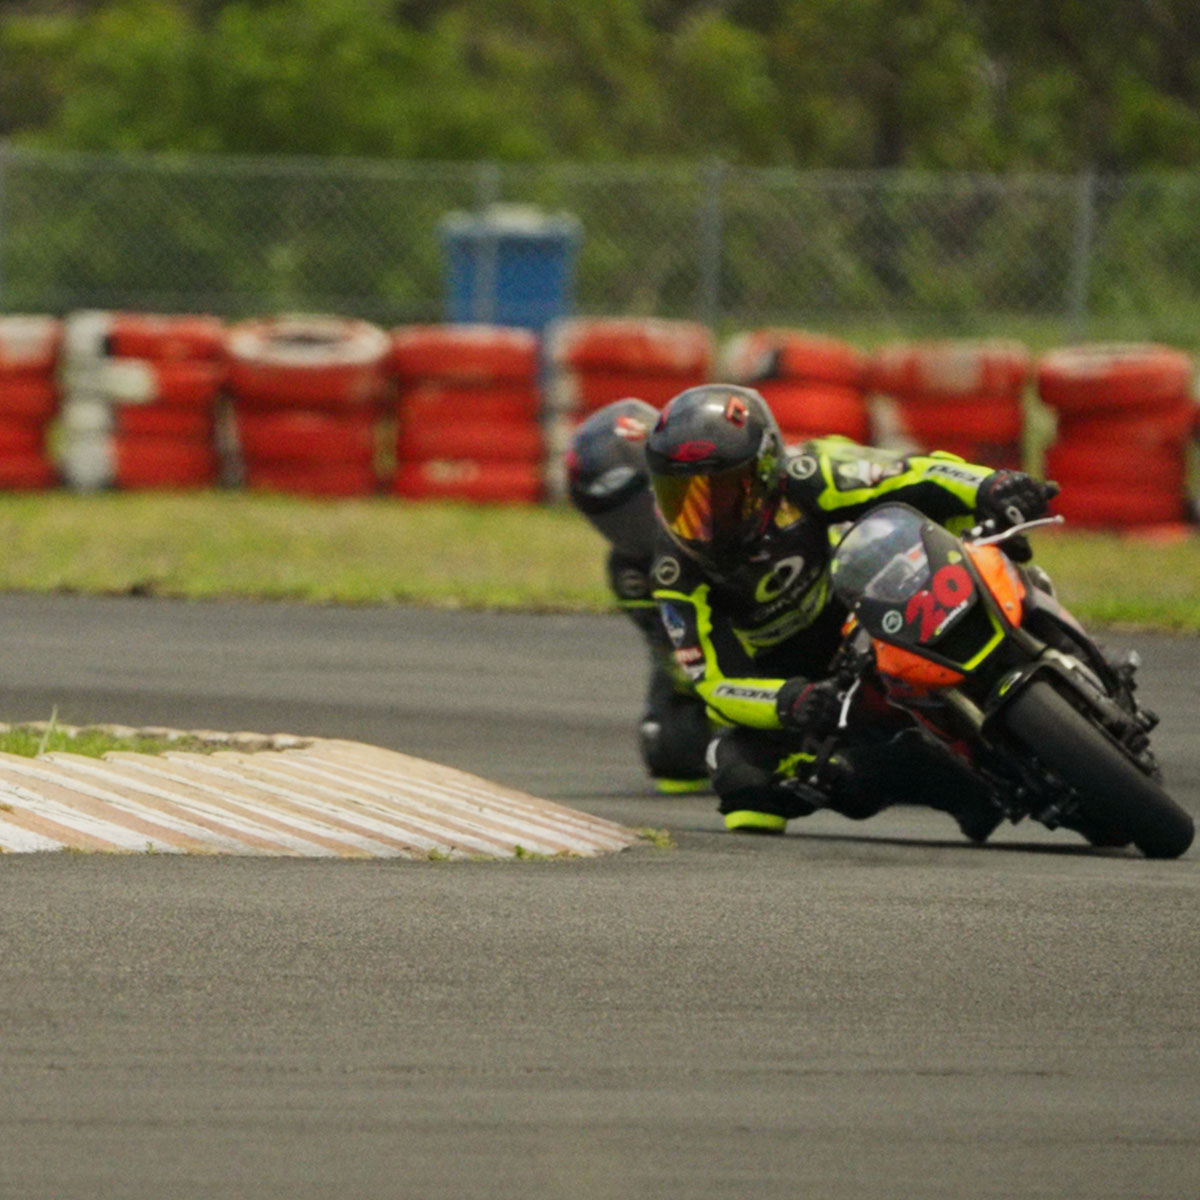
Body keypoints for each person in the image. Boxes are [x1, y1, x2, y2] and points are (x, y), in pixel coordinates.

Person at [643, 383, 1060, 839]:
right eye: (680, 497)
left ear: (764, 471)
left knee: (964, 527)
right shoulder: (675, 571)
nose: (702, 519)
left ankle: (1049, 637)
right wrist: (790, 701)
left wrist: (990, 485)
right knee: (742, 785)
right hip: (800, 678)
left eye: (721, 494)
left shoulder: (809, 471)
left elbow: (913, 473)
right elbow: (714, 681)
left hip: (867, 603)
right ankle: (942, 780)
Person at [566, 398, 712, 794]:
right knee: (671, 750)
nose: (629, 529)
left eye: (636, 511)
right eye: (614, 520)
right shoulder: (629, 573)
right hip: (714, 656)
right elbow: (671, 652)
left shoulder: (727, 510)